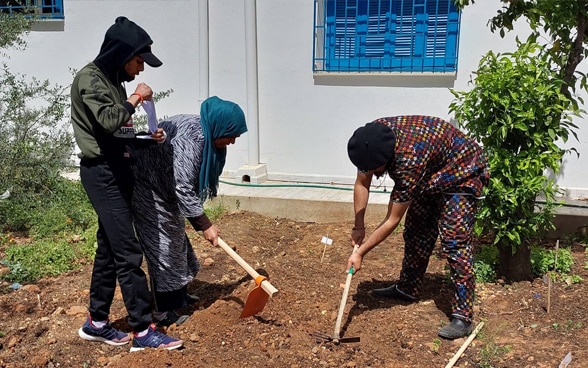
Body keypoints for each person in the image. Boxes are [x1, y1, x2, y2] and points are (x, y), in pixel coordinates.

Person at [70, 16, 183, 351]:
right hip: (101, 174)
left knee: (109, 249)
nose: (141, 69)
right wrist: (135, 98)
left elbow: (119, 132)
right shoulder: (90, 79)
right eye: (138, 61)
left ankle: (97, 323)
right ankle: (143, 331)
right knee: (128, 251)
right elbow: (108, 120)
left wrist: (147, 137)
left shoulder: (113, 81)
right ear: (121, 54)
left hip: (118, 169)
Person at [345, 115, 489, 339]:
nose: (371, 173)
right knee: (416, 231)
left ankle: (463, 316)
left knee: (454, 242)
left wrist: (361, 252)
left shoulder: (408, 161)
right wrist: (358, 226)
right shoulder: (371, 139)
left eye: (375, 169)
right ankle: (407, 288)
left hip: (462, 170)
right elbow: (361, 182)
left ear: (387, 159)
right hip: (431, 170)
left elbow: (392, 219)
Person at [131, 96, 248, 326]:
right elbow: (183, 186)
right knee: (162, 245)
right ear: (220, 127)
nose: (233, 142)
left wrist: (201, 222)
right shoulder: (192, 140)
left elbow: (182, 185)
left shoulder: (207, 133)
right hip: (146, 184)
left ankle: (179, 295)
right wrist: (205, 225)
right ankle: (163, 311)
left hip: (164, 185)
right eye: (232, 135)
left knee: (175, 239)